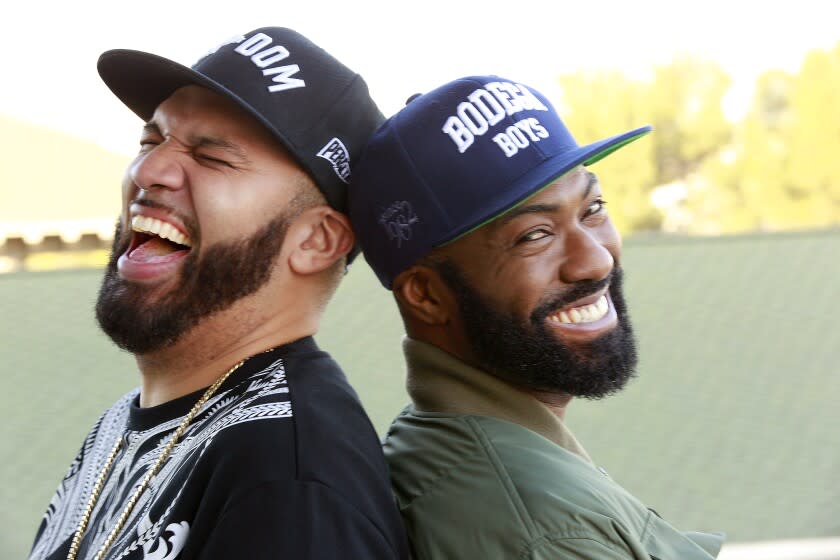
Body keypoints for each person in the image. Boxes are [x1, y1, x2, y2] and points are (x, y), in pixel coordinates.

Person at [29, 27, 409, 560]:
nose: (149, 169)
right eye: (150, 139)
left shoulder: (290, 477)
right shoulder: (127, 421)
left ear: (317, 240)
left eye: (212, 157)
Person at [348, 75, 725, 559]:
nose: (596, 260)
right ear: (426, 294)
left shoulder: (447, 444)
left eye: (593, 209)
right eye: (535, 235)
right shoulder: (548, 532)